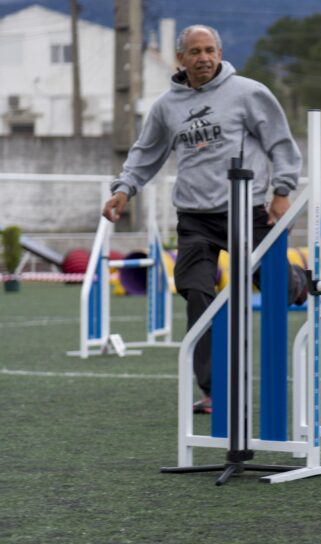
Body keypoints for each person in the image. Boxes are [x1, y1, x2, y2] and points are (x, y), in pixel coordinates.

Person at [102, 24, 307, 414]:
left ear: (220, 51)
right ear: (181, 58)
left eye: (210, 50)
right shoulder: (167, 107)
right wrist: (124, 188)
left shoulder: (248, 92)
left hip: (247, 209)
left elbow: (280, 142)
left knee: (277, 288)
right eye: (194, 51)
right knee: (197, 294)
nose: (204, 58)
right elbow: (147, 153)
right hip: (195, 217)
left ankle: (296, 280)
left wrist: (282, 191)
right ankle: (215, 389)